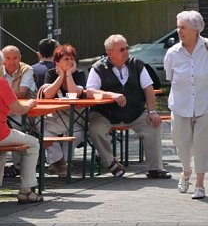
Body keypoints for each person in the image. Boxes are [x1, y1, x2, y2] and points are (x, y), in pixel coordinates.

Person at [86, 34, 171, 179]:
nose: (126, 51)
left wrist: (152, 111)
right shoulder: (98, 68)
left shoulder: (137, 64)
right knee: (94, 129)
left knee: (154, 123)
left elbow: (148, 88)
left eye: (127, 48)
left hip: (135, 113)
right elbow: (90, 91)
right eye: (122, 49)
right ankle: (110, 162)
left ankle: (155, 169)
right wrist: (112, 95)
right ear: (109, 52)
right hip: (106, 114)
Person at [164, 10, 208, 200]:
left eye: (183, 27)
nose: (179, 31)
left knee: (203, 144)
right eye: (178, 27)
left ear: (195, 30)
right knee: (181, 142)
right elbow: (170, 78)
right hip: (180, 104)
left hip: (207, 103)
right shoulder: (172, 53)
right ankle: (186, 171)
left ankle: (200, 183)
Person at [41, 44, 87, 177]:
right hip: (56, 116)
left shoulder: (79, 74)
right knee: (43, 131)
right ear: (57, 62)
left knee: (77, 134)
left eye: (72, 58)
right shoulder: (51, 73)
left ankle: (59, 163)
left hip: (75, 116)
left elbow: (74, 94)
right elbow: (48, 94)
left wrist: (68, 75)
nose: (70, 61)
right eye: (66, 59)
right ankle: (60, 162)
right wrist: (61, 76)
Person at [0, 77, 42, 203]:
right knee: (33, 143)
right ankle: (26, 191)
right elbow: (18, 110)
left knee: (2, 151)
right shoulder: (1, 83)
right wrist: (29, 104)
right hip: (2, 134)